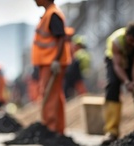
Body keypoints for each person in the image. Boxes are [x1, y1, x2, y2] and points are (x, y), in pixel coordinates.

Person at [101, 22, 134, 146]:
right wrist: (127, 82)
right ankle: (111, 131)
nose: (133, 44)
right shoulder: (116, 41)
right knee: (113, 86)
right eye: (131, 40)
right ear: (127, 35)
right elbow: (117, 66)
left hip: (130, 62)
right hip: (114, 62)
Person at [32, 0, 72, 136]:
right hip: (48, 62)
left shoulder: (53, 14)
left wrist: (56, 61)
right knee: (54, 95)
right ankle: (57, 130)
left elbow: (60, 38)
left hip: (51, 63)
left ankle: (50, 129)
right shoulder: (49, 14)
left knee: (49, 95)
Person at [64, 35, 91, 99]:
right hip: (74, 71)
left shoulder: (80, 54)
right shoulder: (83, 53)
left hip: (75, 70)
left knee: (77, 86)